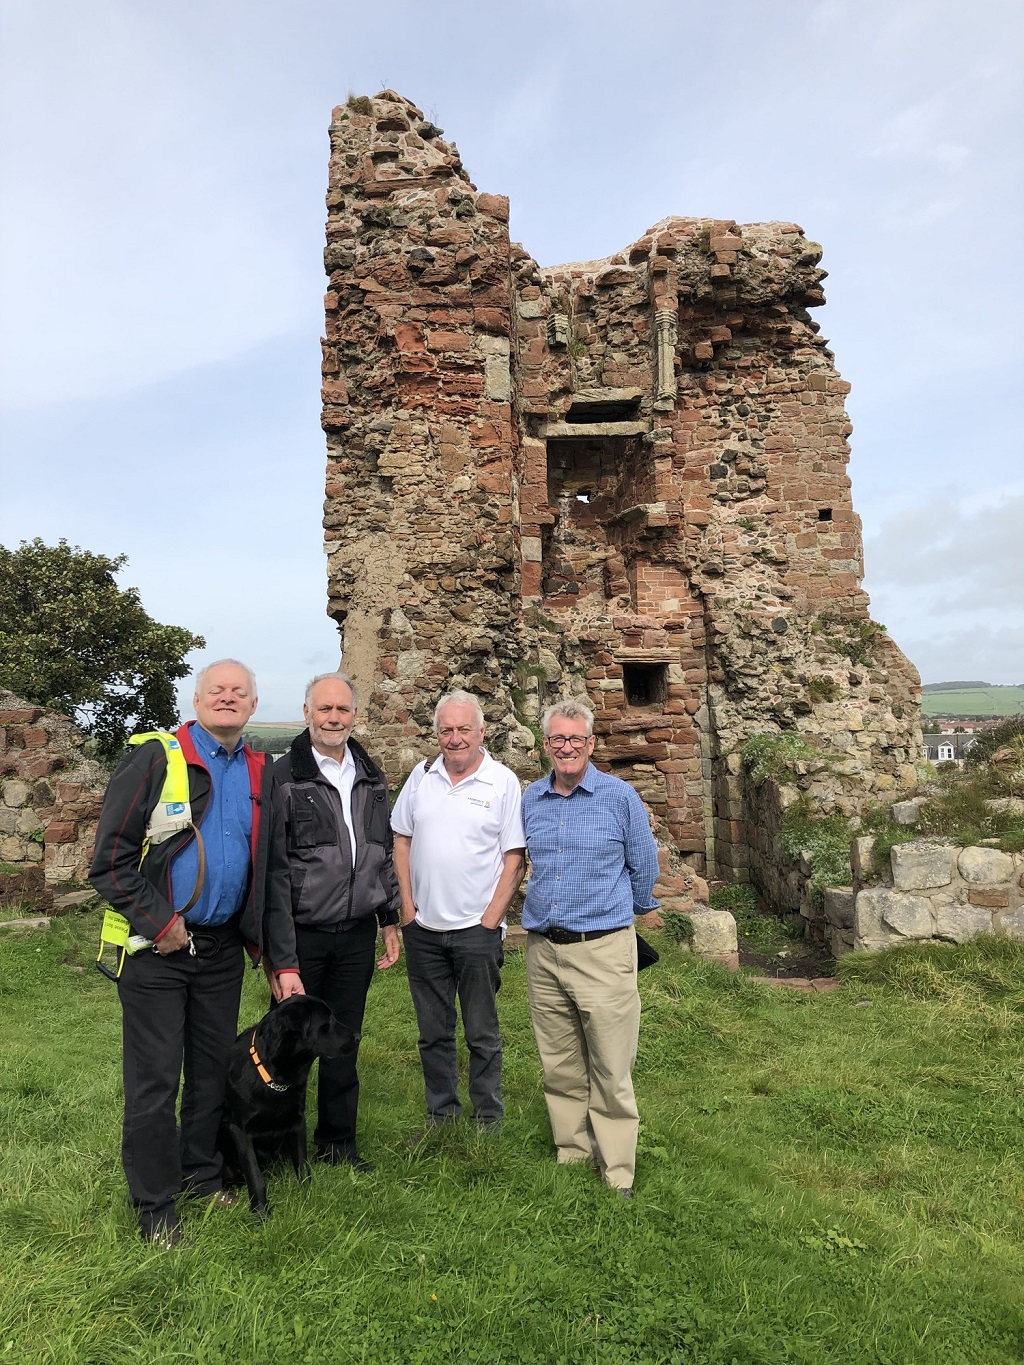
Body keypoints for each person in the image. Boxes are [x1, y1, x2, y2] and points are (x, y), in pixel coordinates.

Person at [90, 659, 303, 1248]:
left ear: (254, 706)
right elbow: (107, 860)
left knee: (211, 1072)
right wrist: (160, 922)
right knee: (156, 1081)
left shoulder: (264, 772)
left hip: (221, 950)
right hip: (156, 952)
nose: (228, 699)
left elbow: (273, 875)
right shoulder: (159, 758)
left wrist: (279, 959)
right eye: (218, 690)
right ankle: (156, 1206)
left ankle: (202, 1174)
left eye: (240, 692)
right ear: (197, 698)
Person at [521, 698, 659, 1199]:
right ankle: (572, 1152)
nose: (567, 747)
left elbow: (645, 866)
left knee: (610, 1065)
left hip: (602, 949)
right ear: (546, 745)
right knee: (559, 1062)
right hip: (544, 951)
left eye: (576, 739)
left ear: (591, 744)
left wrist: (632, 906)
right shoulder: (531, 799)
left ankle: (617, 1170)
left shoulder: (619, 798)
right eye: (557, 739)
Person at [272, 672, 401, 1170]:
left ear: (354, 715)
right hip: (302, 932)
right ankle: (284, 1146)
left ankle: (338, 1144)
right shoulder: (285, 776)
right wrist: (279, 951)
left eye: (342, 710)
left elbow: (380, 852)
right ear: (307, 714)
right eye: (324, 709)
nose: (333, 718)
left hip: (354, 934)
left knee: (343, 1039)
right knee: (290, 1044)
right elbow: (274, 869)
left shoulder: (371, 776)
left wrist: (388, 916)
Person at [391, 690, 526, 1132]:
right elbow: (401, 840)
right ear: (437, 734)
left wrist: (491, 920)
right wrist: (407, 910)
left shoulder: (503, 781)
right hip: (424, 929)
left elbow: (514, 857)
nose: (454, 738)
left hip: (476, 930)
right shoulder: (420, 776)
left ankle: (488, 1117)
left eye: (463, 729)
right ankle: (441, 1115)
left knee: (482, 1033)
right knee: (433, 1032)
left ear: (481, 732)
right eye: (446, 730)